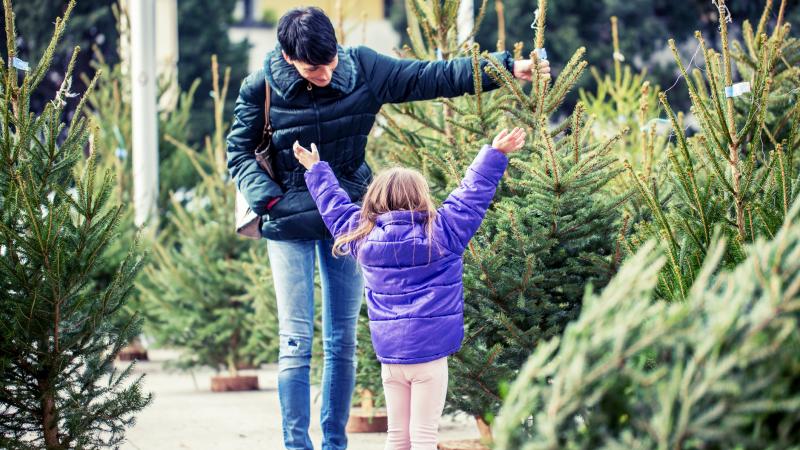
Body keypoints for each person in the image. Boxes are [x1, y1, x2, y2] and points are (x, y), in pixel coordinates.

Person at [226, 6, 549, 449]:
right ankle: (296, 445)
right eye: (311, 68)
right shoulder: (260, 87)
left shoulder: (362, 69)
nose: (324, 74)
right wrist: (271, 199)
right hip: (290, 221)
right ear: (286, 57)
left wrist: (508, 67)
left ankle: (334, 443)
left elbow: (428, 76)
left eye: (329, 62)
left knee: (342, 340)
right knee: (296, 341)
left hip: (354, 221)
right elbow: (239, 152)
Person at [294, 128, 526, 450]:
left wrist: (317, 169)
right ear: (422, 198)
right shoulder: (442, 234)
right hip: (429, 358)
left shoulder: (362, 238)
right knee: (424, 436)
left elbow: (335, 208)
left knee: (397, 436)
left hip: (391, 357)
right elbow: (470, 196)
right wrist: (495, 153)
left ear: (374, 200)